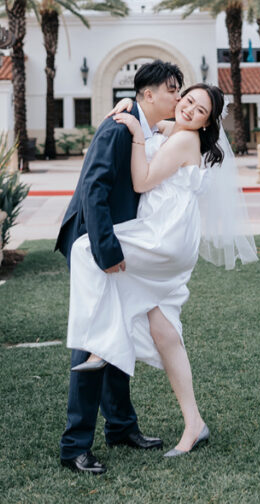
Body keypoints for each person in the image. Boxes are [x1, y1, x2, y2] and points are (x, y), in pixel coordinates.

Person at [65, 81, 257, 466]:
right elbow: (153, 119)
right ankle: (193, 422)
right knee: (163, 330)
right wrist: (130, 106)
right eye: (187, 100)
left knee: (87, 250)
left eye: (199, 109)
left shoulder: (186, 141)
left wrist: (137, 135)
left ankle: (100, 346)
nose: (188, 109)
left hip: (162, 236)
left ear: (207, 122)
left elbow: (142, 181)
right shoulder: (179, 131)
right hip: (170, 235)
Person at [55, 60, 183, 475]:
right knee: (94, 338)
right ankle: (75, 446)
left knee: (120, 328)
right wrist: (106, 251)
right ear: (148, 94)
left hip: (120, 241)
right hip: (94, 244)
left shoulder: (146, 129)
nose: (177, 97)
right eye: (172, 89)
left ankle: (121, 427)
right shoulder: (117, 127)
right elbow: (94, 188)